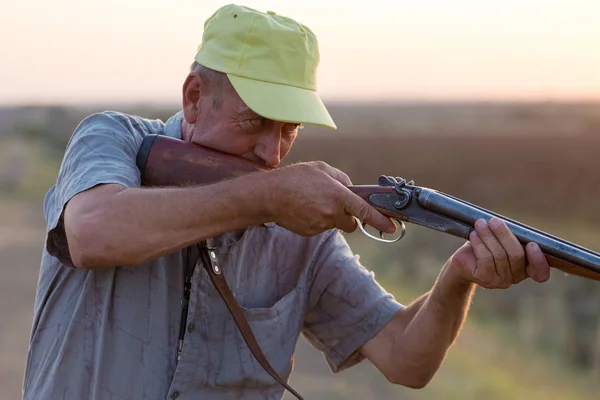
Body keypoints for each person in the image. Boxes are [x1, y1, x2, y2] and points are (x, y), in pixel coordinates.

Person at [23, 4, 550, 400]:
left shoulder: (300, 222)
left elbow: (406, 359)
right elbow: (93, 233)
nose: (271, 152)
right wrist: (269, 198)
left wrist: (458, 278)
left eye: (289, 129)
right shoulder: (113, 141)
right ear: (193, 97)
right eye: (254, 122)